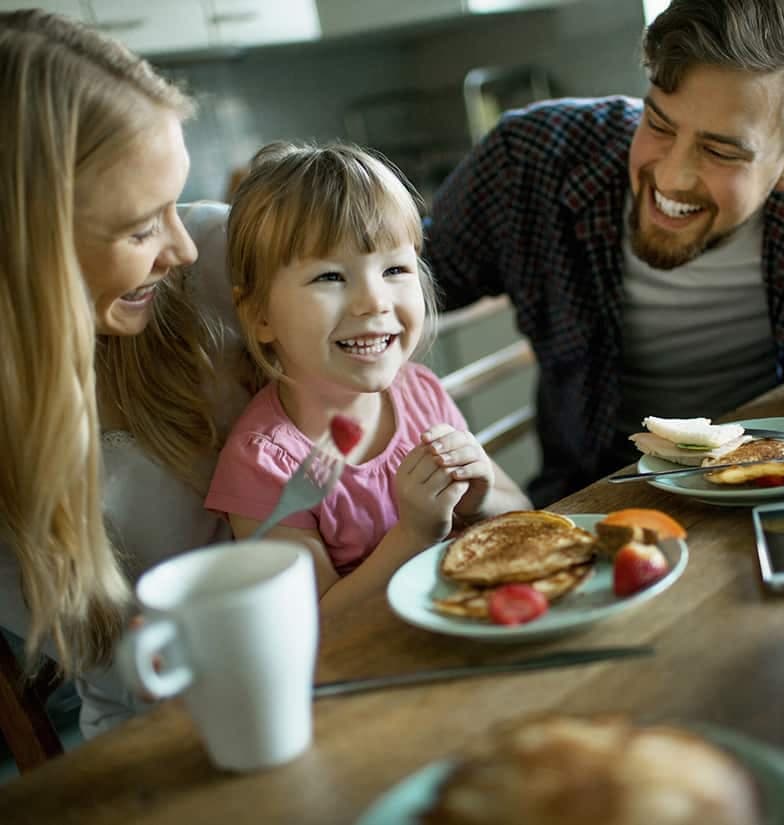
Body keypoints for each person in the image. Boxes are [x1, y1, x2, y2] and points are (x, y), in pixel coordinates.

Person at [424, 0, 784, 507]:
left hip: (781, 491)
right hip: (594, 500)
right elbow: (395, 278)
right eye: (657, 123)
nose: (671, 177)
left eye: (720, 151)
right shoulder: (530, 161)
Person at [0, 10, 249, 737]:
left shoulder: (223, 258)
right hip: (147, 738)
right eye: (140, 228)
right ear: (26, 252)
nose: (181, 248)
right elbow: (103, 660)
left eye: (175, 202)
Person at [205, 141, 531, 615]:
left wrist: (478, 502)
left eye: (395, 269)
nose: (374, 302)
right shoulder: (264, 465)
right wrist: (415, 534)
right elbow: (315, 627)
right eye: (331, 277)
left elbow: (523, 513)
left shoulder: (421, 393)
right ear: (259, 315)